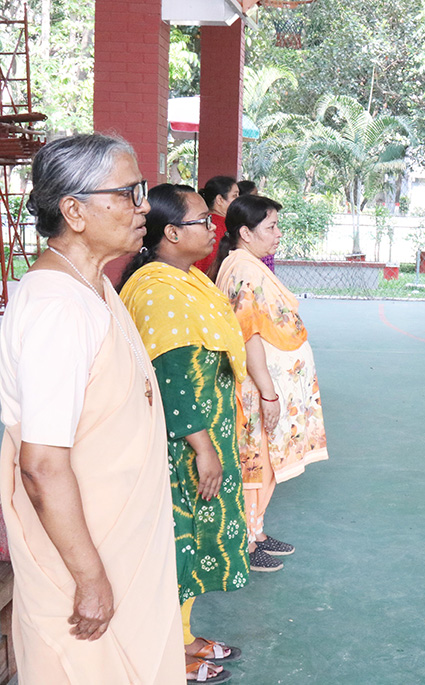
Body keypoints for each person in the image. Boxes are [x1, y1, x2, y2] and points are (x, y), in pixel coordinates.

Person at [0, 134, 184, 682]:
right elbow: (41, 463)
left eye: (141, 190)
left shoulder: (93, 288)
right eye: (129, 192)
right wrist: (89, 579)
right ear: (74, 211)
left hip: (120, 548)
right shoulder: (57, 308)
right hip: (83, 567)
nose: (144, 206)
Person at [119, 184, 251, 682]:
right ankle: (167, 651)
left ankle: (183, 635)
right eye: (202, 220)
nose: (212, 227)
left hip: (201, 439)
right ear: (171, 233)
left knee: (191, 543)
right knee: (179, 541)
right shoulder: (157, 288)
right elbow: (171, 375)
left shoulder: (185, 279)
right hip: (183, 447)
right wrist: (203, 448)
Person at [214, 194, 330, 570]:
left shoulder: (246, 264)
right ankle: (246, 543)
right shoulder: (245, 271)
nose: (278, 234)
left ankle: (257, 531)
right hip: (255, 388)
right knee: (257, 462)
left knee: (266, 461)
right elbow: (248, 336)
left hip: (264, 385)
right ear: (245, 233)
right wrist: (267, 393)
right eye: (271, 227)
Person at [193, 175, 238, 277]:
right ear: (220, 200)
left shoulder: (203, 222)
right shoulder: (222, 226)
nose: (238, 200)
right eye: (235, 196)